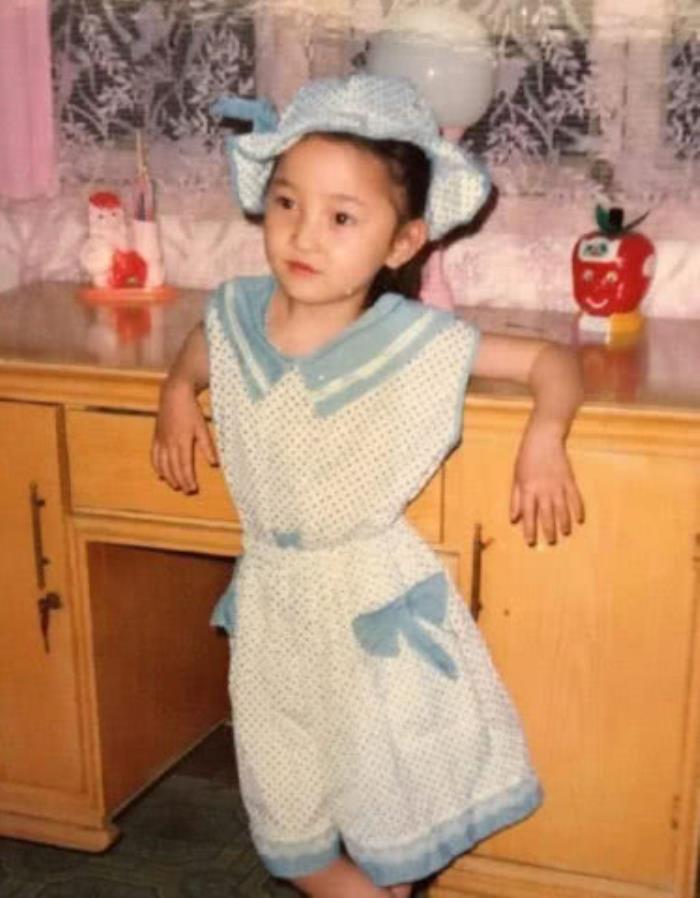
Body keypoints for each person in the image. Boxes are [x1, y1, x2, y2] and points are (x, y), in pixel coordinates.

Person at [151, 74, 584, 898]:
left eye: (342, 217)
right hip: (271, 609)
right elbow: (200, 349)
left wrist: (546, 435)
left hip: (367, 612)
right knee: (290, 830)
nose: (303, 233)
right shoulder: (236, 313)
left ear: (401, 242)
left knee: (390, 816)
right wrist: (176, 393)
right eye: (287, 203)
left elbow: (550, 360)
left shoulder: (414, 341)